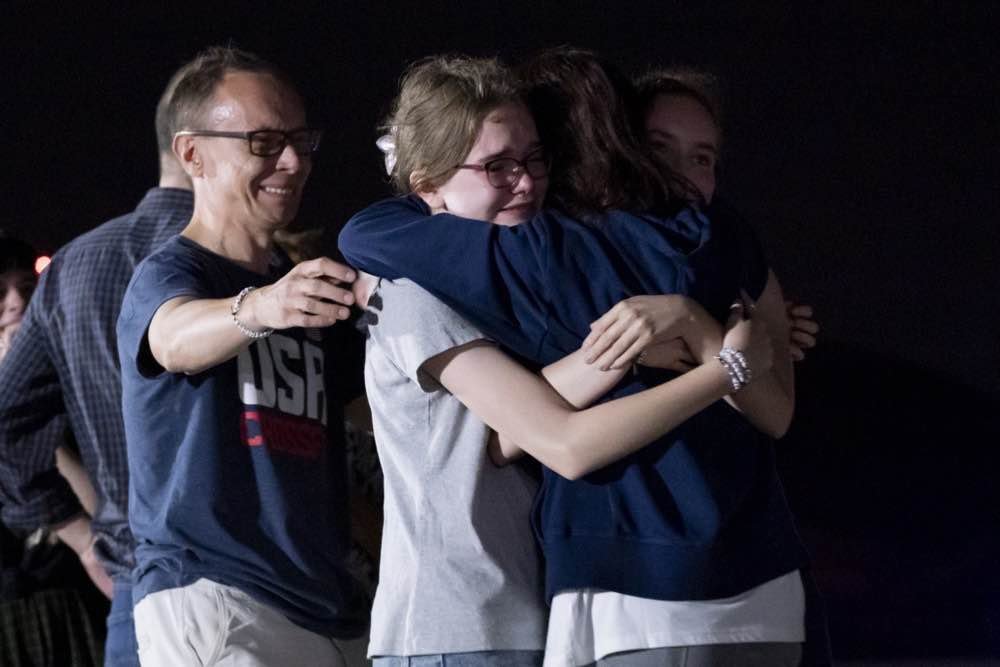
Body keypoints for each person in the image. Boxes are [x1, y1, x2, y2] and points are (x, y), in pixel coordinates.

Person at [341, 47, 814, 666]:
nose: (527, 180)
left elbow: (523, 431)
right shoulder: (446, 285)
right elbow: (544, 436)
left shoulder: (528, 263)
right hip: (463, 619)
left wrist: (692, 335)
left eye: (536, 159)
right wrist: (718, 359)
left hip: (568, 596)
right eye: (499, 165)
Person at [116, 46, 366, 666]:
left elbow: (350, 435)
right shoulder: (173, 270)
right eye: (262, 142)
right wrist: (256, 309)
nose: (292, 162)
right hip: (215, 597)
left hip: (324, 604)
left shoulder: (298, 286)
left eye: (302, 140)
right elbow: (171, 339)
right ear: (192, 154)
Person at [0, 64, 195, 666]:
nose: (13, 303)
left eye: (17, 288)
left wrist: (83, 536)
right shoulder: (108, 267)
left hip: (81, 603)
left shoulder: (76, 280)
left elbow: (86, 473)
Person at [636, 66, 820, 360]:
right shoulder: (570, 243)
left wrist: (755, 331)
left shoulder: (733, 243)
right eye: (658, 146)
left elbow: (774, 402)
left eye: (701, 158)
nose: (680, 171)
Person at [1, 234, 106, 667]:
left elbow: (103, 511)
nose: (14, 304)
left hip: (76, 610)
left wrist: (27, 410)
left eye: (26, 290)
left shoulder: (77, 388)